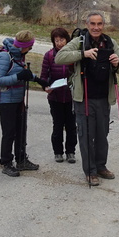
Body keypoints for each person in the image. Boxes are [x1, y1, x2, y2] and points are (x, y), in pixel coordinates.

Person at [56, 12, 119, 186]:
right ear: (87, 24)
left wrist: (117, 63)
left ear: (103, 25)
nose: (96, 27)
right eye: (93, 24)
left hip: (104, 98)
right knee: (86, 135)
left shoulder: (110, 42)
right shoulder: (79, 41)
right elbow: (60, 57)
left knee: (102, 135)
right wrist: (83, 54)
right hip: (84, 98)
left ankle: (101, 166)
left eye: (99, 24)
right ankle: (90, 171)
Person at [0, 30, 47, 177]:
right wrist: (18, 76)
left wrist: (39, 80)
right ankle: (6, 162)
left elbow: (23, 73)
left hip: (18, 99)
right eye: (30, 46)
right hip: (6, 100)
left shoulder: (19, 55)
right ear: (24, 46)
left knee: (21, 130)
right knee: (9, 132)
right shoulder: (5, 56)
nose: (31, 49)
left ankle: (21, 159)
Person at [40, 27, 78, 164]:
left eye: (61, 40)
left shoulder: (74, 55)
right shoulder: (49, 55)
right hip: (55, 97)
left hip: (71, 96)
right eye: (56, 40)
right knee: (57, 125)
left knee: (71, 126)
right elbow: (43, 75)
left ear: (67, 40)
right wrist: (45, 86)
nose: (59, 43)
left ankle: (70, 152)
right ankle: (58, 152)